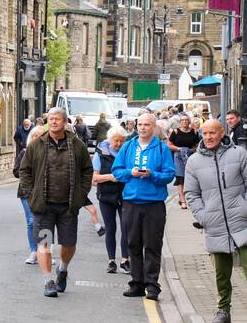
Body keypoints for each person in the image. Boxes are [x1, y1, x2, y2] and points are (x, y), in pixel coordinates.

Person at [17, 107, 93, 298]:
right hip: (44, 206)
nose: (53, 122)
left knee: (68, 244)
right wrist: (30, 194)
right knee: (44, 243)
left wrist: (81, 193)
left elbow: (87, 170)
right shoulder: (37, 145)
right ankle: (48, 281)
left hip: (68, 206)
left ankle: (63, 269)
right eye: (50, 119)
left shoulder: (77, 145)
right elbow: (24, 170)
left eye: (57, 119)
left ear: (65, 121)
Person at [184, 119, 247, 323]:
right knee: (221, 274)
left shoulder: (239, 154)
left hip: (242, 221)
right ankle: (223, 311)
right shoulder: (193, 161)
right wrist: (203, 217)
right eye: (205, 133)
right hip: (215, 224)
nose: (208, 137)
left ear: (222, 133)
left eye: (212, 133)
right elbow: (191, 194)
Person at [112, 112, 176, 300]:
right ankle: (136, 283)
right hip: (131, 202)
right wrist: (130, 172)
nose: (142, 128)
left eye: (147, 125)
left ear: (154, 127)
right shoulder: (128, 146)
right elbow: (117, 171)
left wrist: (152, 175)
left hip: (154, 204)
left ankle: (152, 285)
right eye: (140, 124)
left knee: (152, 245)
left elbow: (170, 175)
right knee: (133, 243)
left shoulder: (162, 148)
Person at [92, 128, 130, 275]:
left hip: (124, 195)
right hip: (106, 196)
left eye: (121, 140)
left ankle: (125, 260)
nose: (119, 143)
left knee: (126, 228)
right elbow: (94, 179)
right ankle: (111, 261)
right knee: (110, 228)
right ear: (109, 140)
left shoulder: (127, 153)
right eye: (116, 140)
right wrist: (110, 177)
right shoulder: (100, 154)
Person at [168, 113, 199, 210]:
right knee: (180, 178)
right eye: (182, 120)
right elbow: (169, 144)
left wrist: (193, 150)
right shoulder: (176, 132)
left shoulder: (194, 132)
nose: (184, 122)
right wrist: (178, 148)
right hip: (178, 156)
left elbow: (197, 145)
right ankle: (183, 201)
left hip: (191, 156)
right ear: (180, 122)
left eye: (186, 120)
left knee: (191, 178)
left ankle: (191, 199)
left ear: (189, 121)